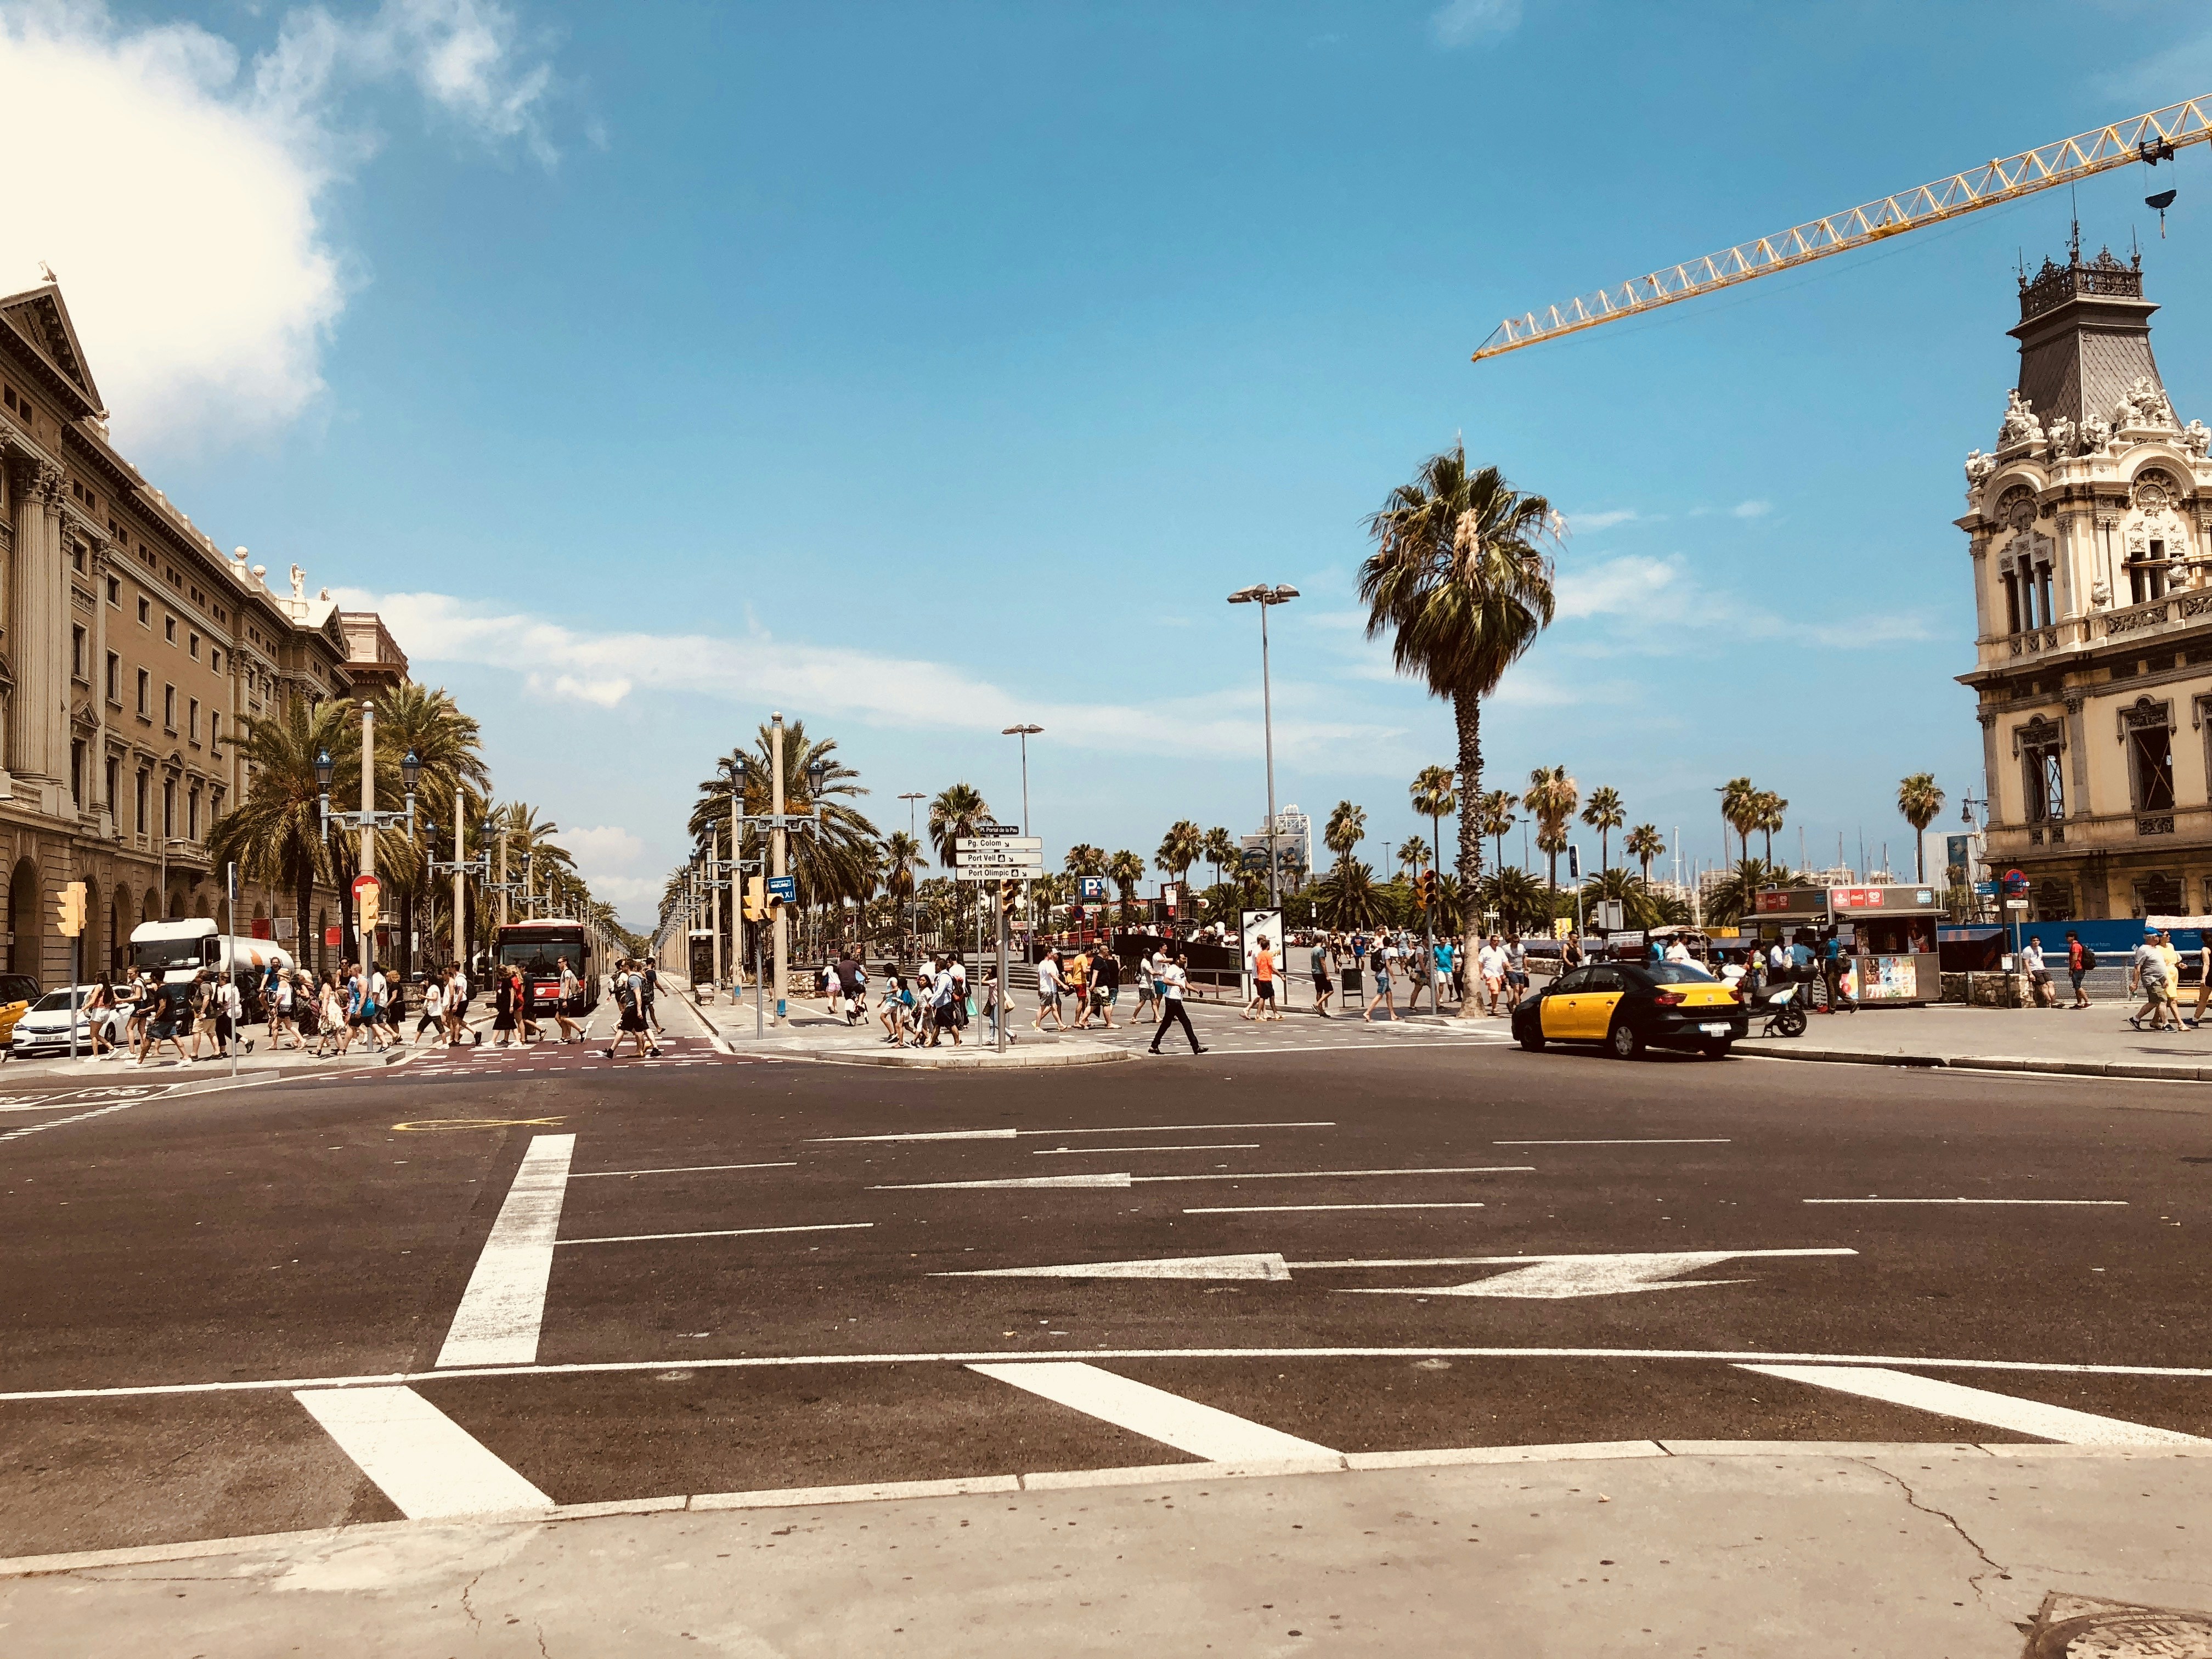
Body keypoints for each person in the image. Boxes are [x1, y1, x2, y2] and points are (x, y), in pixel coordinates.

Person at [1148, 951, 1205, 1055]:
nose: (1185, 960)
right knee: (1186, 1022)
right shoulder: (1173, 968)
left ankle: (1154, 1046)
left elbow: (1186, 984)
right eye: (1183, 959)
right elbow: (1165, 980)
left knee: (1166, 1024)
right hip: (1173, 1000)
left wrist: (1196, 990)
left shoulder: (1181, 970)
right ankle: (1196, 1046)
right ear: (1178, 960)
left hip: (1175, 1000)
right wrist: (1177, 984)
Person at [2130, 931, 2178, 1031]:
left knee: (2153, 1002)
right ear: (2151, 937)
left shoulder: (2155, 948)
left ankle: (2136, 1018)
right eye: (2157, 936)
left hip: (2159, 979)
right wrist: (2135, 983)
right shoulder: (2143, 950)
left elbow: (2160, 965)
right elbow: (2138, 967)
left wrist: (2164, 979)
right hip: (2152, 979)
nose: (2159, 938)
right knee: (2162, 1000)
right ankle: (2166, 1024)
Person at [1244, 935, 1281, 1022]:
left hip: (1260, 976)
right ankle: (1251, 1011)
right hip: (1262, 977)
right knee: (1262, 996)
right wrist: (1280, 975)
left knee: (1266, 995)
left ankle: (1267, 1013)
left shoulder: (1257, 951)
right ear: (1261, 942)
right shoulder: (1262, 952)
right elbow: (1268, 966)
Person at [1034, 947, 1067, 1031]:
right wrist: (1063, 985)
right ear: (1048, 954)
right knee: (1042, 1008)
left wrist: (1039, 989)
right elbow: (1053, 975)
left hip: (1046, 989)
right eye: (1051, 953)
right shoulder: (1047, 964)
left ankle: (1061, 1025)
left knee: (1054, 1007)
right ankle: (1037, 1027)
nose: (1052, 955)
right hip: (1048, 989)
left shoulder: (1041, 964)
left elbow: (1038, 978)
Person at [554, 956, 584, 1042]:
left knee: (564, 1018)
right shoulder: (564, 972)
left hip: (566, 997)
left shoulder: (567, 973)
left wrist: (565, 1000)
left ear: (565, 963)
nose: (558, 965)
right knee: (558, 1017)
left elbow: (567, 987)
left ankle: (580, 1030)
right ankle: (566, 1036)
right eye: (558, 963)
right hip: (561, 997)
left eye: (560, 963)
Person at [1090, 945, 1120, 1028]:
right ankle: (1109, 1022)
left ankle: (1082, 1020)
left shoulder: (1102, 961)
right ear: (1104, 951)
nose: (1107, 952)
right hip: (1104, 986)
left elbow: (1095, 972)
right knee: (1108, 1004)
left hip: (1103, 985)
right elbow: (1096, 973)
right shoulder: (1104, 961)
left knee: (1094, 1004)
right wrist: (1093, 984)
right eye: (1106, 951)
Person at [2023, 935, 2055, 1008]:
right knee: (2043, 986)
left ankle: (2054, 1000)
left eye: (2037, 940)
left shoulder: (2040, 949)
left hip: (2042, 969)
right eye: (2034, 941)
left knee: (2051, 983)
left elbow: (2040, 959)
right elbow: (2026, 963)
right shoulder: (2027, 950)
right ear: (2031, 942)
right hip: (2034, 969)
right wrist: (2030, 974)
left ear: (2040, 942)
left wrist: (2044, 967)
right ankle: (2050, 1001)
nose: (2036, 942)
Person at [416, 972, 447, 1044]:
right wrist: (422, 988)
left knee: (440, 1028)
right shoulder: (430, 988)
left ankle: (445, 1043)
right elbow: (424, 994)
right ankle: (414, 1042)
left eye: (425, 981)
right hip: (430, 1012)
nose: (425, 983)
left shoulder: (434, 988)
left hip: (435, 1012)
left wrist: (425, 997)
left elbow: (435, 998)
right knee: (421, 1025)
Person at [492, 965, 518, 1047]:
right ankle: (518, 1041)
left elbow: (512, 992)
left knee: (499, 1022)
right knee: (511, 1023)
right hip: (505, 1004)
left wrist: (511, 1005)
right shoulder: (506, 980)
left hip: (507, 1004)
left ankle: (493, 1041)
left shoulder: (507, 980)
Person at [2066, 930, 2094, 1010]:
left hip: (2077, 968)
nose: (2067, 939)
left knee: (2078, 986)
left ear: (2073, 937)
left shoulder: (2075, 946)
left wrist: (2071, 969)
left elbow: (2075, 958)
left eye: (2068, 937)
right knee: (2076, 986)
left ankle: (2088, 1002)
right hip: (2078, 968)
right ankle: (2079, 1003)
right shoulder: (2077, 945)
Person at [1310, 935, 1334, 1017]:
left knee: (1319, 991)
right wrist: (1327, 975)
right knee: (1330, 991)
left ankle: (1321, 1011)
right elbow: (1323, 963)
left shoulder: (1313, 950)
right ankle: (1317, 1004)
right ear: (1323, 941)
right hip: (1320, 973)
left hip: (1314, 972)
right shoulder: (1321, 950)